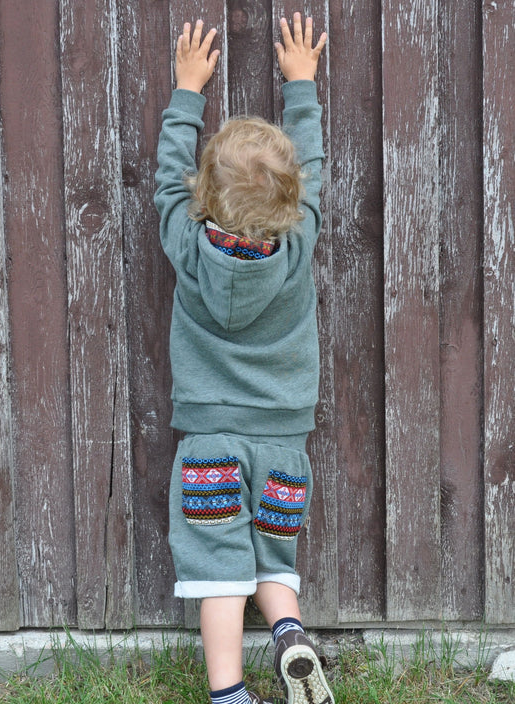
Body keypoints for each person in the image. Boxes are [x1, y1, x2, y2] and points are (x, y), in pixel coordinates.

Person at [154, 12, 333, 704]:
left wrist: (188, 90)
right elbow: (310, 172)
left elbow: (168, 181)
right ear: (288, 208)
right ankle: (287, 629)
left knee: (216, 570)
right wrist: (301, 85)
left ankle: (228, 693)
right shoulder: (296, 247)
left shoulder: (185, 242)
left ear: (205, 200)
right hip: (284, 441)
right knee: (272, 555)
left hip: (208, 442)